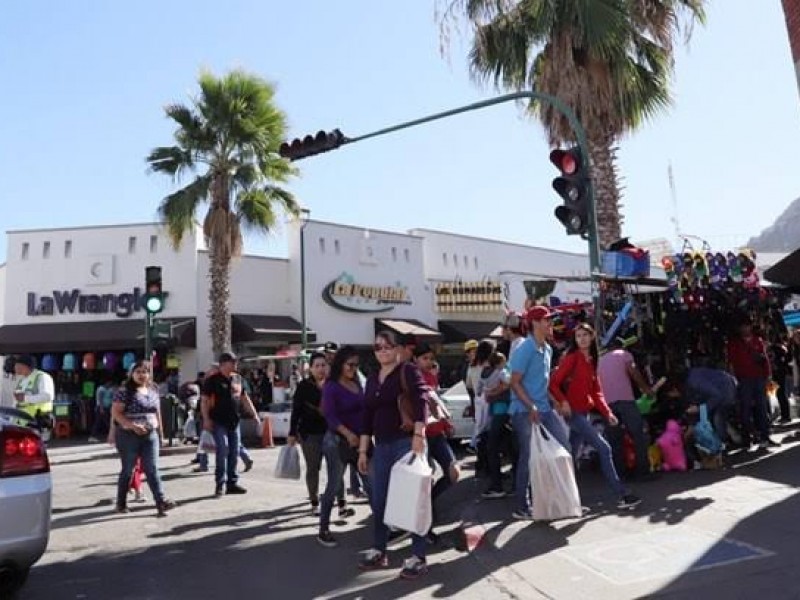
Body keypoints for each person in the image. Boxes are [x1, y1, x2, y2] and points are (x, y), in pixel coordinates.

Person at [358, 330, 429, 579]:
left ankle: (417, 556)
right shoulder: (373, 378)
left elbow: (422, 401)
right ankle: (380, 550)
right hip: (382, 446)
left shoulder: (407, 371)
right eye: (378, 347)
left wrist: (418, 436)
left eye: (388, 346)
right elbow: (366, 414)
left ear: (397, 349)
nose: (383, 351)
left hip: (405, 443)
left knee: (412, 501)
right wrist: (363, 450)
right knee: (379, 502)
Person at [549, 323, 641, 509]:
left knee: (571, 456)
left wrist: (608, 413)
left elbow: (596, 392)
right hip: (574, 413)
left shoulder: (592, 360)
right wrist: (563, 401)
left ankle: (566, 500)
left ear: (592, 337)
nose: (581, 339)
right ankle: (622, 494)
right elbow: (553, 383)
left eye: (585, 335)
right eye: (578, 336)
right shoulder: (572, 358)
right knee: (604, 448)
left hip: (583, 413)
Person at [508, 305, 568, 520]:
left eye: (550, 319)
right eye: (546, 320)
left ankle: (562, 501)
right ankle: (521, 506)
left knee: (564, 448)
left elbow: (543, 383)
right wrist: (530, 406)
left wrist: (557, 402)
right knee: (529, 457)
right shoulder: (525, 348)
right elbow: (514, 382)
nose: (550, 323)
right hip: (524, 411)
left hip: (545, 408)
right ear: (534, 323)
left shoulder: (548, 349)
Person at [110, 360, 175, 516]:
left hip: (149, 434)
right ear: (132, 374)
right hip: (128, 435)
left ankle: (161, 502)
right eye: (138, 372)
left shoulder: (153, 389)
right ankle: (121, 503)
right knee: (128, 469)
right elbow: (116, 413)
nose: (141, 375)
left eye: (144, 372)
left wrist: (161, 433)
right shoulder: (124, 391)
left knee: (152, 468)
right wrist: (132, 426)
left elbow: (157, 411)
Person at [318, 346, 367, 547]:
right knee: (334, 485)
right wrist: (348, 434)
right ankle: (323, 528)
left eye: (356, 365)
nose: (353, 369)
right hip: (337, 442)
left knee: (372, 484)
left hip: (359, 442)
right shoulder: (331, 386)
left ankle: (386, 527)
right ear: (340, 364)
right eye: (350, 365)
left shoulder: (357, 382)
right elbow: (329, 416)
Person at [597, 339, 653, 479]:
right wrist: (646, 389)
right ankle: (642, 471)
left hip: (607, 404)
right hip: (625, 400)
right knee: (638, 435)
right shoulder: (624, 354)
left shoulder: (600, 361)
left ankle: (620, 473)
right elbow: (634, 373)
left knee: (615, 439)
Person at [288, 352, 336, 515]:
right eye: (317, 366)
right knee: (313, 468)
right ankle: (314, 500)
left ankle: (335, 500)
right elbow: (296, 411)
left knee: (334, 468)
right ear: (311, 368)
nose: (321, 369)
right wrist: (292, 433)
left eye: (324, 365)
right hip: (309, 434)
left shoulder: (333, 384)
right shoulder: (303, 386)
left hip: (331, 432)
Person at [201, 352, 249, 497]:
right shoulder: (212, 380)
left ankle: (232, 483)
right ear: (223, 364)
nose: (235, 364)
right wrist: (206, 419)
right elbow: (204, 401)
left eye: (236, 361)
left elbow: (244, 397)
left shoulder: (238, 379)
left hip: (234, 421)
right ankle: (219, 484)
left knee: (234, 452)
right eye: (232, 362)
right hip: (218, 421)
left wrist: (253, 414)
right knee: (222, 450)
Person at [727, 321, 779, 449]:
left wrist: (768, 375)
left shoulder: (757, 341)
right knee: (745, 410)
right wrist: (734, 379)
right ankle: (747, 439)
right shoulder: (734, 344)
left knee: (762, 408)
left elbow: (764, 358)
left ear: (750, 327)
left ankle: (764, 436)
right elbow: (731, 363)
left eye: (747, 326)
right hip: (744, 379)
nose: (745, 328)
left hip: (759, 378)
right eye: (743, 326)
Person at [13, 355, 55, 431]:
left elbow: (48, 396)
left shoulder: (42, 377)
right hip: (22, 422)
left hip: (38, 421)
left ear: (25, 366)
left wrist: (25, 398)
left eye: (17, 365)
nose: (15, 368)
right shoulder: (22, 380)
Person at [89, 377, 116, 443]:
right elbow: (100, 399)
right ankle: (93, 436)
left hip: (106, 407)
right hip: (101, 408)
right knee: (100, 422)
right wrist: (101, 408)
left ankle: (111, 435)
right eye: (110, 383)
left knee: (104, 422)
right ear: (106, 383)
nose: (110, 385)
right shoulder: (101, 389)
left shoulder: (108, 389)